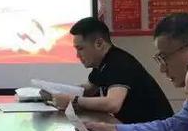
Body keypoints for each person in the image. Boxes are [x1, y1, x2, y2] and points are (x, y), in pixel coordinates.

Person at [44, 17, 172, 124]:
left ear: (99, 44)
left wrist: (73, 100)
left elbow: (113, 104)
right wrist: (56, 92)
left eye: (80, 48)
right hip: (136, 130)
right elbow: (88, 90)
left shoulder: (119, 62)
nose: (78, 55)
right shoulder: (103, 62)